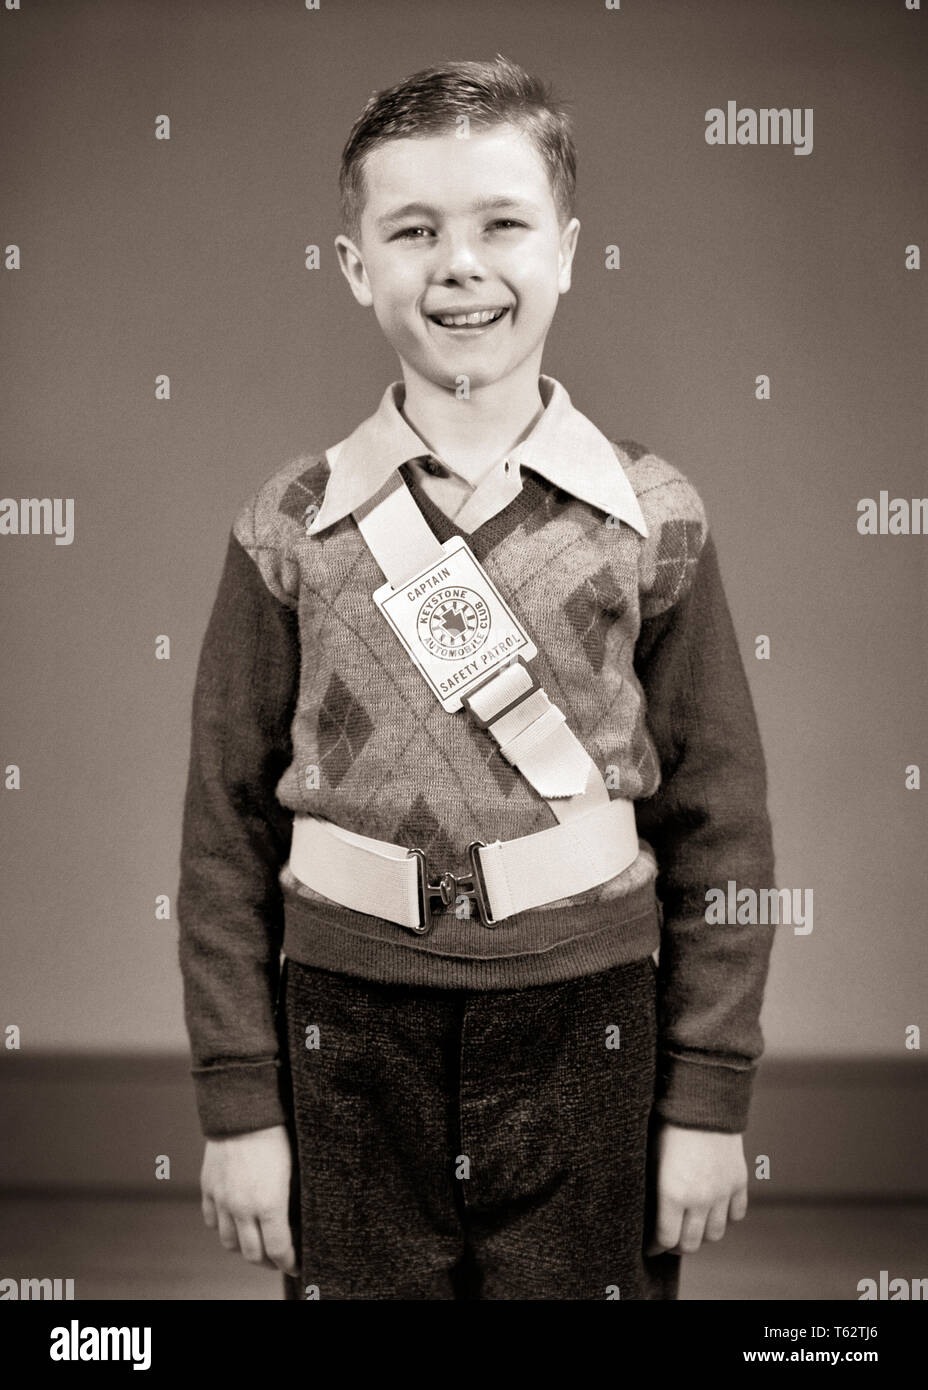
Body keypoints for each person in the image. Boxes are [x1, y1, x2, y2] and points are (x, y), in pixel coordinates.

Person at [177, 55, 777, 1301]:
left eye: (502, 224)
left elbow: (721, 827)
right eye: (412, 231)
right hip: (344, 1027)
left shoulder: (652, 516)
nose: (459, 264)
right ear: (354, 266)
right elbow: (223, 835)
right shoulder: (287, 525)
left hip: (589, 1023)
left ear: (566, 249)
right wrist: (240, 1102)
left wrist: (708, 1095)